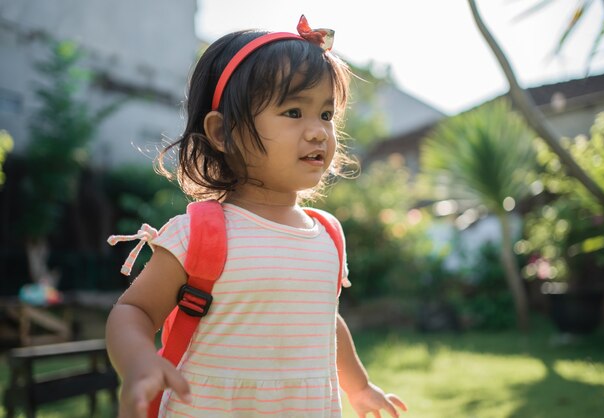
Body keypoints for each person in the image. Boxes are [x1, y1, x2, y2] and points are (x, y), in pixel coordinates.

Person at [105, 15, 408, 418]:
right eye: (294, 113)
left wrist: (360, 387)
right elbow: (133, 311)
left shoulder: (328, 235)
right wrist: (140, 363)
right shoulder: (201, 233)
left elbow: (324, 323)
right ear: (222, 132)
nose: (319, 132)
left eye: (326, 115)